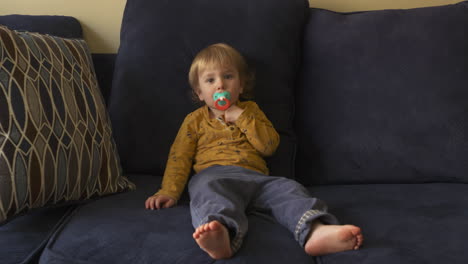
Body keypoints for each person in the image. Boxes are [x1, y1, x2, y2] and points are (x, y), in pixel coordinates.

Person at [145, 43, 363, 259]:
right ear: (200, 93)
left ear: (240, 85)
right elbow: (179, 158)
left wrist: (242, 117)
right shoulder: (194, 121)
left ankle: (315, 230)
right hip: (215, 175)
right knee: (206, 190)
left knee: (289, 188)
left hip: (257, 178)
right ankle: (221, 233)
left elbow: (269, 146)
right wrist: (169, 191)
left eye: (228, 76)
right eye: (210, 80)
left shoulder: (251, 111)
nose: (220, 85)